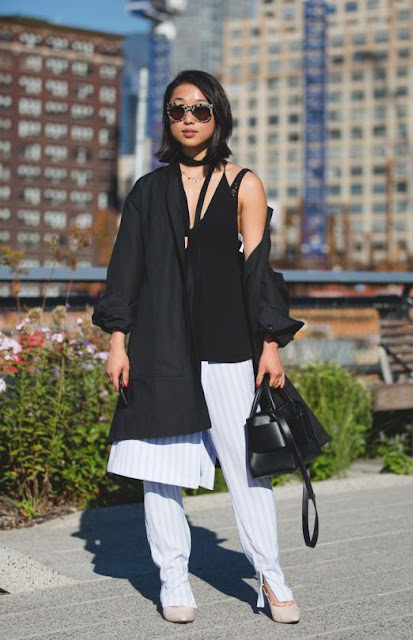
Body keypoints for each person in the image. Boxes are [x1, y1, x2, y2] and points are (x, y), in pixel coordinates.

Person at [93, 70, 304, 625]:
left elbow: (259, 271)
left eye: (200, 109)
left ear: (218, 116)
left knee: (247, 470)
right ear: (167, 119)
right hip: (160, 348)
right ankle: (173, 579)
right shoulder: (147, 190)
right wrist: (118, 342)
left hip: (230, 347)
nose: (188, 118)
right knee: (161, 471)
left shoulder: (244, 184)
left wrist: (270, 343)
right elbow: (125, 271)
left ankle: (271, 578)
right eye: (177, 109)